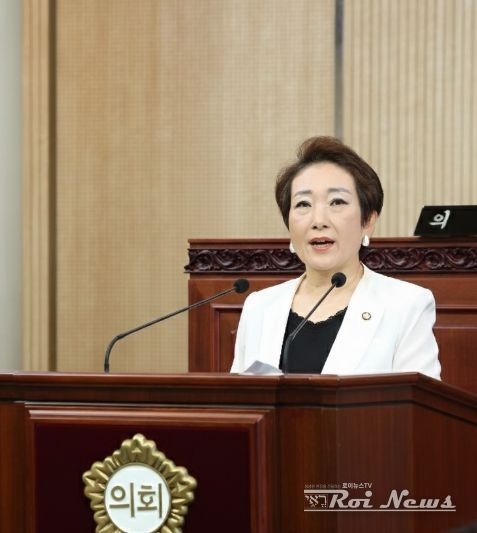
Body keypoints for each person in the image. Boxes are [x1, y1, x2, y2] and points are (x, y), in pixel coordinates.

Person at [230, 136, 441, 378]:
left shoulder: (406, 305)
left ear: (368, 221)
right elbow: (240, 399)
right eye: (303, 204)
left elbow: (417, 401)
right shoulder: (259, 307)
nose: (318, 220)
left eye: (337, 202)